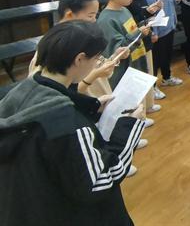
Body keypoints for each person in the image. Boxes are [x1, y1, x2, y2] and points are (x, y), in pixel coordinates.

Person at [0, 20, 146, 225]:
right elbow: (99, 181)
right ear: (79, 59)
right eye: (96, 58)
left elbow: (51, 101)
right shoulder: (68, 124)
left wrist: (91, 105)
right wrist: (129, 128)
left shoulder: (22, 91)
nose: (97, 64)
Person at [96, 0, 151, 90]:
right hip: (123, 74)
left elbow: (130, 31)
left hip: (136, 63)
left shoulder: (124, 10)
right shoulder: (106, 20)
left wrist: (143, 27)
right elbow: (118, 51)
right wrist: (138, 33)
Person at [124, 0, 164, 107]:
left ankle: (149, 103)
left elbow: (143, 13)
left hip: (145, 33)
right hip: (136, 37)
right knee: (139, 71)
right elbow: (132, 19)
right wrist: (147, 12)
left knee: (148, 68)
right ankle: (142, 106)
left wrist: (152, 11)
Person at [145, 0, 183, 88]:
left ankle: (167, 77)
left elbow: (171, 3)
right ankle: (153, 86)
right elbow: (151, 12)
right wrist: (154, 32)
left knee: (167, 54)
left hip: (170, 25)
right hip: (159, 28)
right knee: (156, 58)